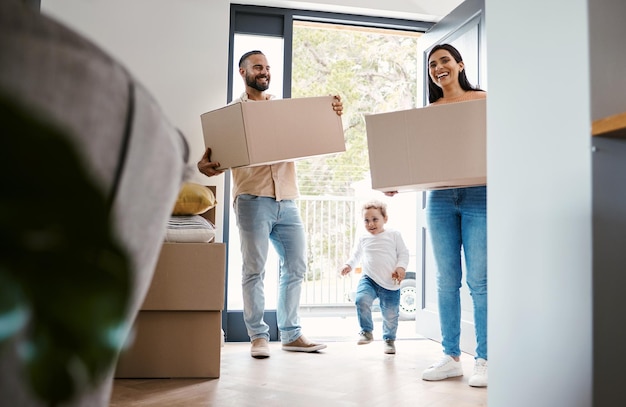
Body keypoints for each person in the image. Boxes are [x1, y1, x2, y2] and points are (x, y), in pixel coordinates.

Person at [197, 50, 343, 359]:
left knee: (296, 266)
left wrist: (332, 111)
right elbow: (212, 160)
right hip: (252, 199)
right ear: (243, 72)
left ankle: (291, 334)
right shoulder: (231, 115)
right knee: (254, 269)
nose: (264, 72)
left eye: (267, 67)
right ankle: (258, 337)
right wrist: (204, 166)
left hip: (287, 199)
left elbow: (316, 132)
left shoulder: (284, 111)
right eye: (257, 67)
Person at [419, 43, 488, 387]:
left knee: (480, 281)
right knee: (447, 281)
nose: (438, 67)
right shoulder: (429, 111)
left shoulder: (484, 100)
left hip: (481, 194)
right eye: (433, 64)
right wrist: (397, 180)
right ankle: (450, 356)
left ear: (459, 65)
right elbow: (421, 159)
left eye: (445, 60)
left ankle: (486, 359)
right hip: (441, 196)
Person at [339, 200, 409, 355]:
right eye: (366, 220)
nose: (371, 224)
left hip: (390, 283)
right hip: (369, 279)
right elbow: (356, 255)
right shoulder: (363, 238)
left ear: (385, 218)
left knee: (390, 315)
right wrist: (349, 265)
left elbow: (403, 253)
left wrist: (400, 267)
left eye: (375, 219)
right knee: (361, 299)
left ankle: (389, 340)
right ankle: (366, 331)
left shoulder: (393, 235)